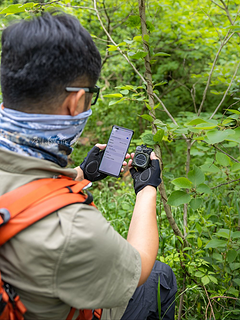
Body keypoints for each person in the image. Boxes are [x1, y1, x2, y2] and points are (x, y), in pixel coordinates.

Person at [0, 12, 177, 320]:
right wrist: (147, 188)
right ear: (76, 102)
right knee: (159, 277)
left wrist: (81, 174)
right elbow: (140, 265)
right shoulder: (72, 230)